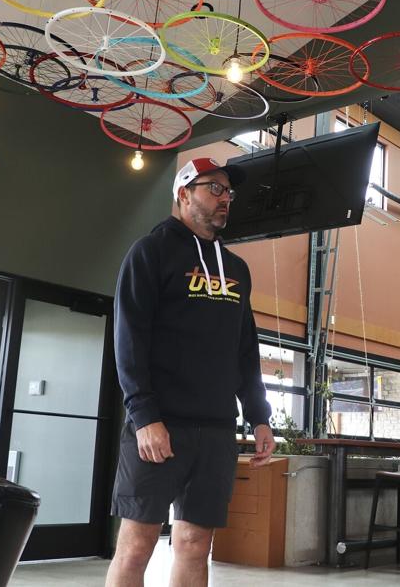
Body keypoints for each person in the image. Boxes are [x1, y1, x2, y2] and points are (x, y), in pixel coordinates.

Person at [105, 157, 275, 587]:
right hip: (160, 425)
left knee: (196, 544)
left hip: (216, 430)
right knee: (136, 545)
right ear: (183, 194)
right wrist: (145, 417)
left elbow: (245, 348)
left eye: (229, 193)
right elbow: (129, 341)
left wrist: (258, 414)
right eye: (214, 189)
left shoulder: (236, 269)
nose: (225, 199)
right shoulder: (150, 252)